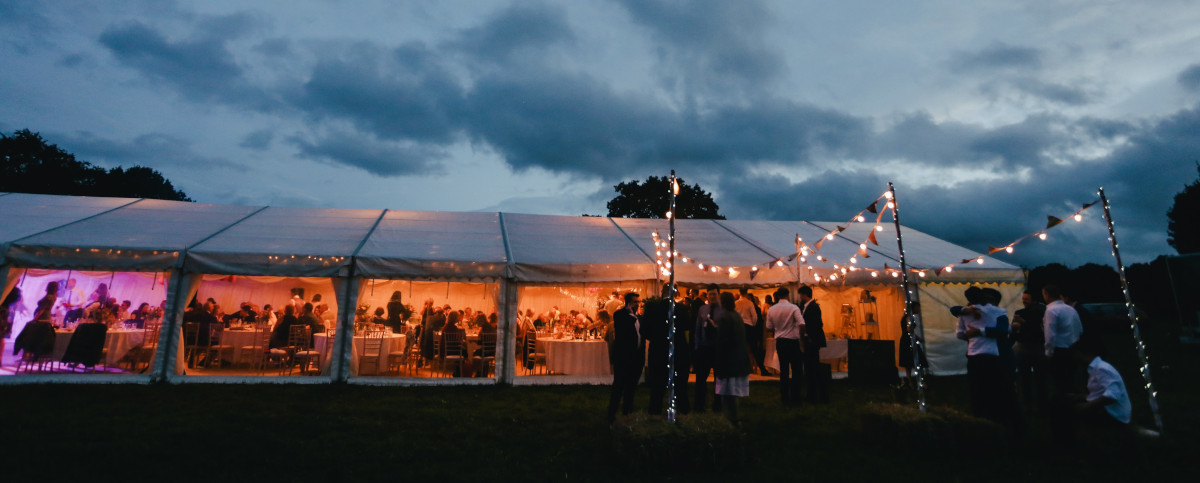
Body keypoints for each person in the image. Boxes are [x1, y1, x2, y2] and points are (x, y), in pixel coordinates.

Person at [715, 292, 752, 425]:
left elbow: (723, 340)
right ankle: (732, 419)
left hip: (729, 360)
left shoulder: (724, 317)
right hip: (738, 358)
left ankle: (730, 420)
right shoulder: (737, 316)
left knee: (728, 392)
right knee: (732, 392)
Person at [607, 291, 644, 423]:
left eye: (639, 302)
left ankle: (627, 412)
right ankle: (611, 414)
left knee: (631, 387)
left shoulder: (639, 317)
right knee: (619, 386)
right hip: (623, 357)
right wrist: (631, 313)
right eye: (635, 302)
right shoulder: (620, 315)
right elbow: (623, 330)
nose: (637, 304)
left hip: (636, 357)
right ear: (628, 303)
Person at [1043, 284, 1083, 396]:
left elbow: (1050, 335)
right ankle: (1073, 400)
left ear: (1046, 294)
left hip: (1059, 351)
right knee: (1071, 380)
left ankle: (1065, 403)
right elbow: (1080, 329)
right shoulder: (1071, 309)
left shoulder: (1051, 310)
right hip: (1073, 349)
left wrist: (1048, 353)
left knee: (1060, 383)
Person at [766, 287, 804, 405]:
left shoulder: (771, 309)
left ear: (778, 296)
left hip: (781, 342)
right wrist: (801, 338)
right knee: (796, 370)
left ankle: (784, 396)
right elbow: (802, 324)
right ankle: (796, 396)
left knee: (784, 370)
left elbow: (768, 327)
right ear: (788, 295)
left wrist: (779, 329)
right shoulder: (793, 308)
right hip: (793, 342)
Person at [1012, 289, 1048, 414]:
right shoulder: (1019, 313)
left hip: (1037, 348)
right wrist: (1014, 329)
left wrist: (1025, 323)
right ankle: (1028, 405)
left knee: (1040, 379)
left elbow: (1040, 331)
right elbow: (1015, 330)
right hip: (1023, 348)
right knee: (1024, 378)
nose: (1024, 301)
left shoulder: (1040, 313)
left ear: (1034, 301)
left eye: (1026, 299)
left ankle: (1042, 406)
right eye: (1023, 299)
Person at [692, 284, 723, 413]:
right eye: (710, 294)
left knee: (719, 378)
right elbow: (698, 328)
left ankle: (718, 404)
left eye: (714, 294)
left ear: (718, 295)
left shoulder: (723, 310)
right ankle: (699, 404)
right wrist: (697, 346)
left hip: (718, 348)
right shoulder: (703, 309)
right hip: (704, 347)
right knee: (701, 378)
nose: (712, 296)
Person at [797, 285, 828, 404]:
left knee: (812, 367)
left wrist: (809, 336)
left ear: (804, 295)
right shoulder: (807, 306)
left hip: (812, 341)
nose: (800, 297)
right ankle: (813, 393)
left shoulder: (813, 307)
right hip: (810, 340)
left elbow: (817, 324)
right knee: (810, 367)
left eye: (800, 295)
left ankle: (814, 394)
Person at [735, 288, 768, 376]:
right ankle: (762, 369)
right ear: (746, 293)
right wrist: (752, 325)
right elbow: (755, 317)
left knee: (738, 348)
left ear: (739, 292)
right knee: (754, 349)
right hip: (748, 326)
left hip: (739, 327)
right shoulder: (749, 303)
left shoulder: (736, 303)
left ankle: (738, 368)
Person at [1, 287, 22, 357]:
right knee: (1, 337)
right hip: (7, 314)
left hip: (3, 312)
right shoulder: (16, 290)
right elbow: (18, 301)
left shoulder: (7, 288)